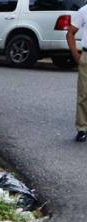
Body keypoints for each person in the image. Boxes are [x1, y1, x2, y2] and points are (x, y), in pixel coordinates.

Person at [67, 3, 87, 142]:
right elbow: (70, 33)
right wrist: (76, 55)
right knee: (84, 94)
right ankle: (82, 129)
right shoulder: (84, 11)